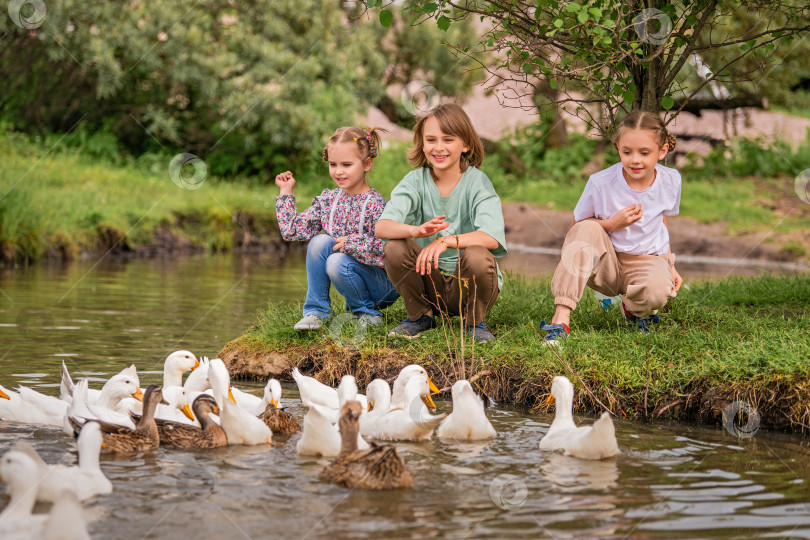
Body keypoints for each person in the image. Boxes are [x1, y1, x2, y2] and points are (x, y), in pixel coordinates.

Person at [539, 111, 684, 345]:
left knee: (658, 291)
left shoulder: (671, 180)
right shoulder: (601, 182)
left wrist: (669, 263)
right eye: (627, 152)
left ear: (662, 151)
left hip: (646, 261)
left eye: (644, 153)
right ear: (618, 147)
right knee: (587, 230)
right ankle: (560, 319)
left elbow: (661, 221)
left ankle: (633, 309)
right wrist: (611, 224)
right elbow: (579, 229)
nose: (635, 160)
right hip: (606, 262)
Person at [375, 103, 507, 343]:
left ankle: (475, 323)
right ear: (422, 144)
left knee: (477, 254)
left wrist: (446, 241)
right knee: (395, 246)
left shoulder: (478, 183)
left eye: (448, 139)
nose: (438, 148)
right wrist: (414, 230)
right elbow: (382, 227)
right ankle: (420, 317)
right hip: (429, 282)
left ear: (465, 144)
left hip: (468, 285)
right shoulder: (414, 181)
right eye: (431, 140)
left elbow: (491, 237)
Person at [275, 127, 398, 330]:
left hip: (383, 286)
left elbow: (387, 251)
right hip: (347, 273)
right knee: (318, 242)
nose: (338, 171)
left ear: (367, 163)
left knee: (336, 260)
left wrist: (352, 244)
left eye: (347, 164)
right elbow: (291, 231)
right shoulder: (329, 200)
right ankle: (316, 312)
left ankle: (367, 313)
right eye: (333, 164)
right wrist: (286, 191)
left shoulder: (375, 204)